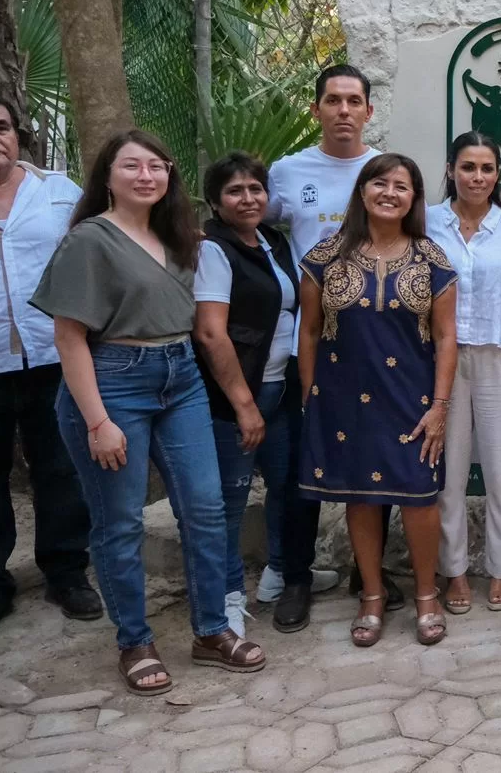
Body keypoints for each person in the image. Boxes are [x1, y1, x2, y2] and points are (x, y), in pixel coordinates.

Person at [32, 130, 265, 693]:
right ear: (107, 176)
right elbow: (68, 338)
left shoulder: (182, 237)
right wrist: (97, 421)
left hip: (180, 377)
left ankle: (211, 630)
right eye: (131, 166)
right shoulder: (91, 240)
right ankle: (133, 640)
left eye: (157, 167)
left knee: (206, 507)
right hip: (112, 383)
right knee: (121, 521)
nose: (146, 176)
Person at [297, 153, 458, 647]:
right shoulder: (324, 258)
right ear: (362, 191)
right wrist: (311, 399)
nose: (390, 193)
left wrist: (440, 405)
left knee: (419, 496)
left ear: (414, 198)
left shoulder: (433, 259)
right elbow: (309, 332)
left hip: (413, 399)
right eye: (380, 183)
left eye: (402, 186)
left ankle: (426, 596)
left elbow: (447, 337)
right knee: (361, 497)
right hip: (344, 399)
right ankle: (371, 595)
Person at [0, 92, 101, 645]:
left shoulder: (58, 193)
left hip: (55, 358)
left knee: (61, 468)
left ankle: (66, 572)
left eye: (1, 126)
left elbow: (98, 250)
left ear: (18, 134)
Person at [266, 63, 384, 631]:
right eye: (332, 100)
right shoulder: (287, 173)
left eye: (353, 101)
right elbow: (255, 236)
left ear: (368, 110)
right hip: (310, 342)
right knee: (301, 465)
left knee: (375, 461)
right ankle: (294, 577)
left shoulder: (384, 171)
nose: (343, 110)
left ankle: (371, 577)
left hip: (376, 345)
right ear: (316, 110)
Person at [427, 132, 501, 614]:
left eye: (487, 168)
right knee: (447, 475)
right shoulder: (428, 224)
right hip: (442, 363)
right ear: (451, 170)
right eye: (468, 167)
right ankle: (453, 572)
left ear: (498, 175)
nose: (477, 177)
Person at [192, 153, 301, 638]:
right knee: (229, 504)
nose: (248, 198)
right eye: (235, 191)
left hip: (280, 390)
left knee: (286, 487)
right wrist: (242, 405)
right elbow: (212, 335)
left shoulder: (273, 242)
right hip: (235, 401)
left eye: (255, 189)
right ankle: (227, 597)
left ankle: (278, 572)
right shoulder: (211, 249)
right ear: (215, 201)